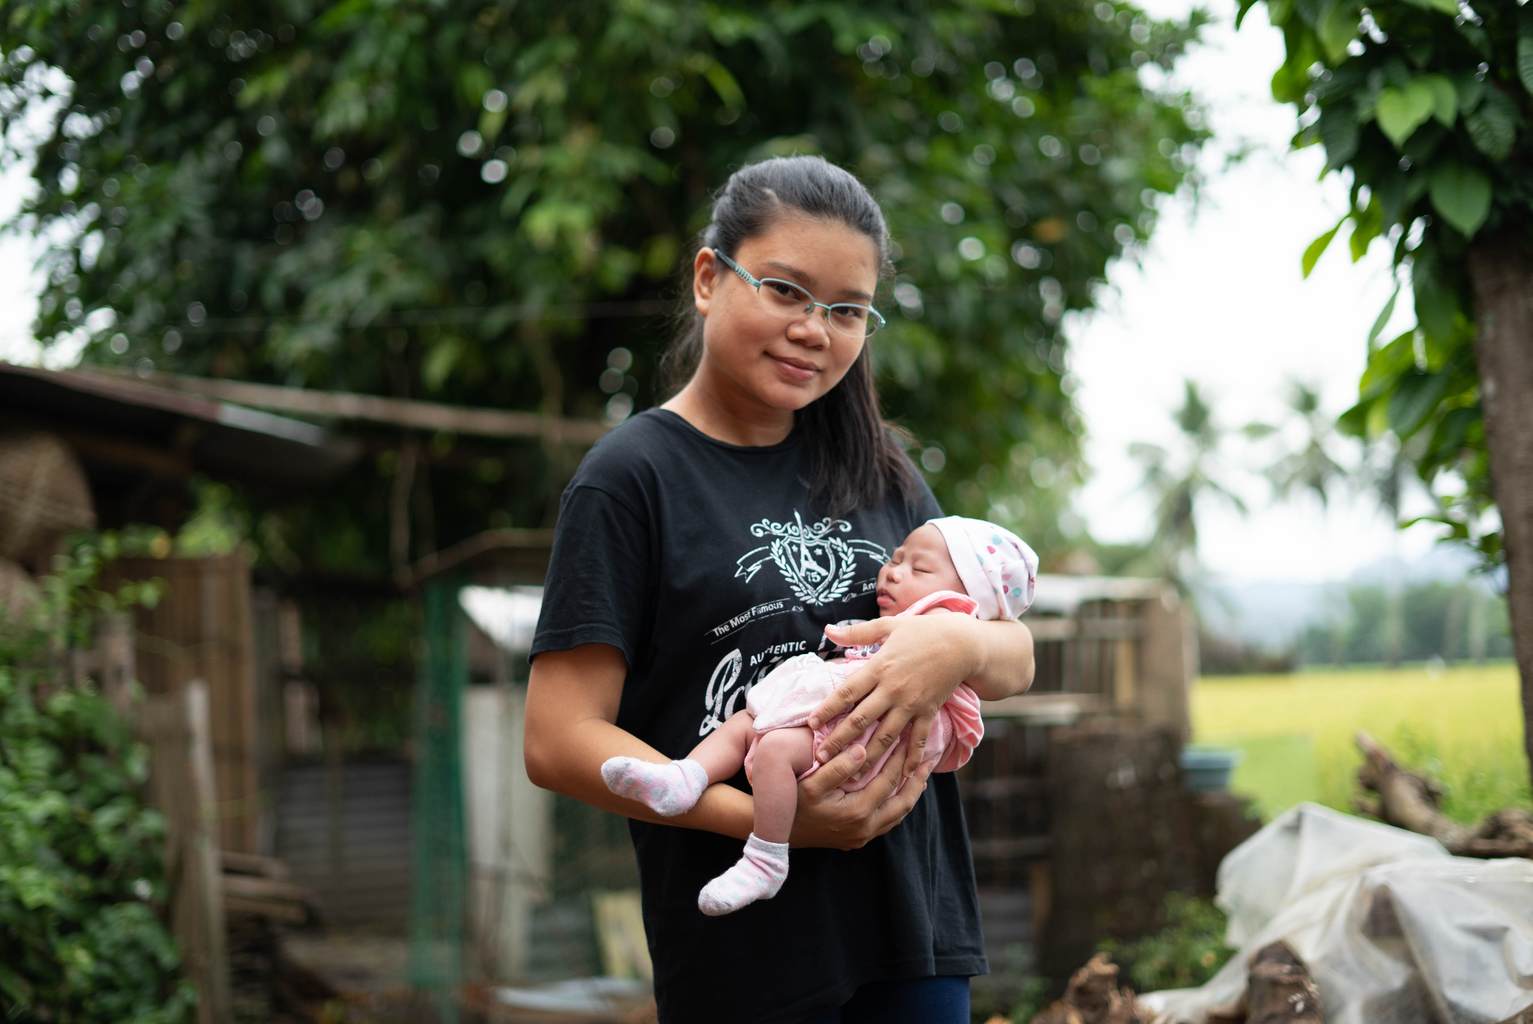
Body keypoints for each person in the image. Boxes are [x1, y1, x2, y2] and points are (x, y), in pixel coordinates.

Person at [524, 155, 1037, 1024]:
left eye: (845, 310)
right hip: (746, 951)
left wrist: (953, 645)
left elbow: (1012, 653)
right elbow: (557, 739)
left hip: (911, 924)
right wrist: (771, 825)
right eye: (785, 291)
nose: (814, 329)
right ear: (706, 278)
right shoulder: (630, 479)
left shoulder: (881, 468)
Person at [599, 515, 1038, 917]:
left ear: (964, 601)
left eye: (918, 570)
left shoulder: (941, 623)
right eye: (894, 558)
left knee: (772, 750)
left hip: (857, 749)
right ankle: (685, 777)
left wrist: (962, 640)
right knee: (744, 721)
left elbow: (1011, 652)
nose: (891, 571)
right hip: (830, 726)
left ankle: (765, 858)